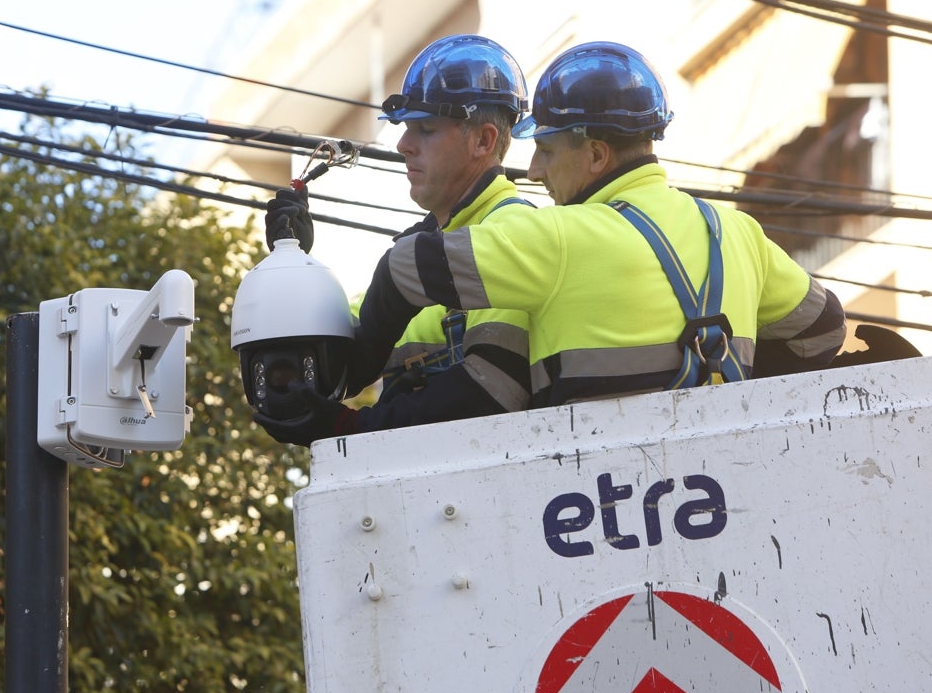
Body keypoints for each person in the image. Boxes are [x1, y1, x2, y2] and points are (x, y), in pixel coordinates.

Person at [287, 40, 847, 434]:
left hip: (591, 505)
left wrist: (345, 410)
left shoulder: (561, 235)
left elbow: (408, 267)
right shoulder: (736, 231)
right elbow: (822, 330)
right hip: (722, 491)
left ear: (596, 155)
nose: (533, 172)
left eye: (548, 150)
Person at [254, 34, 537, 446]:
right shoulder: (417, 253)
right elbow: (335, 373)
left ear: (484, 140)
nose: (404, 145)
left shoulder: (513, 233)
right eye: (406, 129)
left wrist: (352, 429)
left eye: (425, 129)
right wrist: (297, 271)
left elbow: (490, 392)